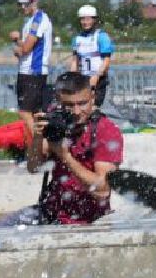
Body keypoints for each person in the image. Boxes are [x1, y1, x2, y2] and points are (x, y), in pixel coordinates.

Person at [7, 71, 123, 226]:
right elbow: (33, 167)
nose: (76, 112)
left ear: (92, 98)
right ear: (58, 101)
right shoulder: (56, 123)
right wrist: (38, 136)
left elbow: (102, 190)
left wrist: (65, 156)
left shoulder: (105, 131)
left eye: (82, 103)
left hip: (90, 218)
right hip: (52, 212)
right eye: (69, 105)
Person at [8, 0, 53, 144]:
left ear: (34, 2)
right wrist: (17, 41)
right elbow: (27, 45)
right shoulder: (30, 21)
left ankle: (42, 146)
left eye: (25, 4)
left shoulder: (38, 20)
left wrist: (18, 50)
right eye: (19, 4)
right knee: (34, 113)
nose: (22, 8)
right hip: (27, 71)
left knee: (25, 112)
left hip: (33, 71)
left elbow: (26, 49)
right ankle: (39, 148)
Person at [71, 4, 115, 107]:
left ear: (94, 20)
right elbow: (75, 62)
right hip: (84, 79)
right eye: (82, 19)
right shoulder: (77, 39)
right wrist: (71, 78)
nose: (85, 22)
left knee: (93, 108)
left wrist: (96, 77)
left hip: (98, 79)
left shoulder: (102, 37)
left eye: (88, 19)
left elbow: (106, 61)